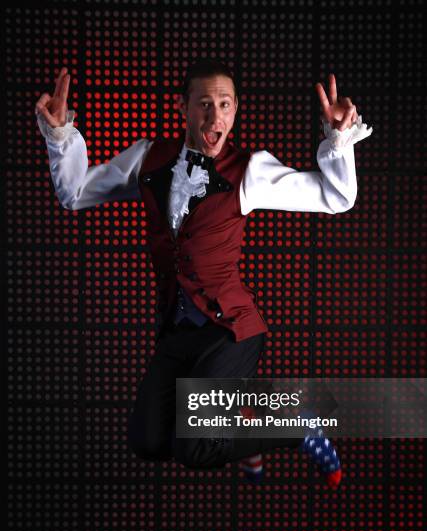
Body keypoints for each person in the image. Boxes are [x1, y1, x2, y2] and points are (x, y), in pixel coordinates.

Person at [35, 60, 373, 490]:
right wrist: (61, 134)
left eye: (226, 105)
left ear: (235, 112)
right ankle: (245, 425)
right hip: (177, 331)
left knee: (194, 448)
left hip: (229, 330)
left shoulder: (250, 171)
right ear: (183, 108)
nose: (216, 118)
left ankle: (296, 426)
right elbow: (76, 193)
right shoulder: (149, 158)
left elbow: (337, 196)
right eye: (205, 105)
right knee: (149, 440)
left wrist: (339, 138)